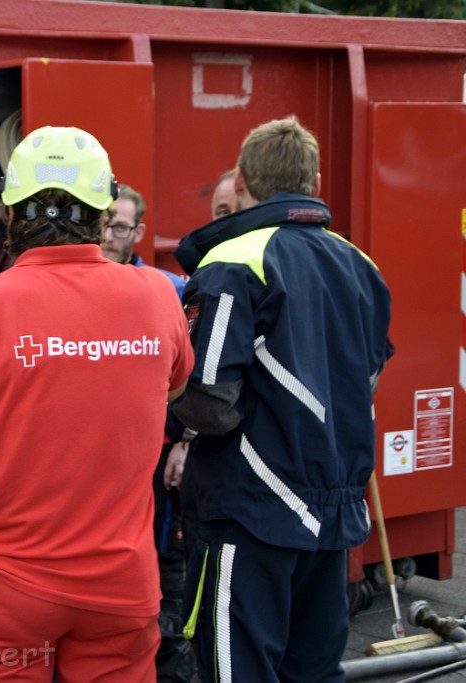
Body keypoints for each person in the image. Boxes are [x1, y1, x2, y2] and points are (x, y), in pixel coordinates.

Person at [0, 126, 194, 682]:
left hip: (5, 585)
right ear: (101, 211)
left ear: (10, 212)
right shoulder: (158, 295)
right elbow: (176, 387)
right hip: (122, 584)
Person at [171, 116, 393, 683]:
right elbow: (367, 379)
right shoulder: (361, 264)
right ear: (315, 181)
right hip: (333, 511)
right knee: (314, 671)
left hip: (249, 512)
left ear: (242, 180)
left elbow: (208, 400)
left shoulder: (231, 262)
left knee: (235, 669)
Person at [102, 184, 194, 683]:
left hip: (156, 461)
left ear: (138, 232)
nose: (109, 235)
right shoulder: (76, 287)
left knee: (159, 574)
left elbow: (199, 378)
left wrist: (186, 439)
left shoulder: (169, 289)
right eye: (103, 223)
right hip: (97, 461)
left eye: (120, 226)